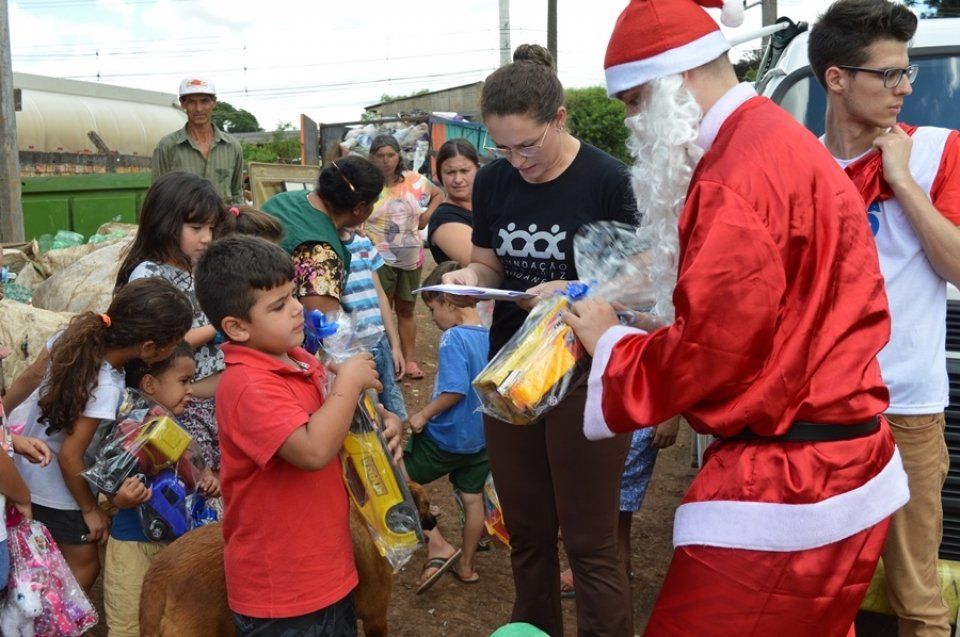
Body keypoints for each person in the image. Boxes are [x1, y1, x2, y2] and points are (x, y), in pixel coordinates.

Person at [560, 1, 909, 635]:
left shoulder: (734, 175)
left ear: (676, 82)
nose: (635, 125)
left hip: (790, 482)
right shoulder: (777, 141)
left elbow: (715, 351)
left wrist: (610, 341)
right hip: (841, 460)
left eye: (637, 103)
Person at [442, 43, 638, 636]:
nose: (516, 161)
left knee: (590, 541)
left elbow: (642, 288)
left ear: (559, 118)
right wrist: (469, 279)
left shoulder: (609, 181)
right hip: (512, 372)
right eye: (502, 148)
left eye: (527, 144)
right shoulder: (497, 182)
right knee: (526, 533)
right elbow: (489, 262)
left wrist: (575, 290)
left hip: (585, 372)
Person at [809, 3, 960, 635]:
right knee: (816, 591)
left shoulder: (934, 151)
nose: (904, 89)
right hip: (817, 411)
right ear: (837, 78)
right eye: (889, 76)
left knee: (917, 596)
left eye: (907, 76)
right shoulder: (800, 162)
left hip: (908, 409)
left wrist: (904, 184)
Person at [194, 234, 401, 636]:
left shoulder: (302, 361)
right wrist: (350, 385)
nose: (295, 310)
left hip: (327, 568)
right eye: (278, 306)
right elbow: (312, 449)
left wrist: (378, 419)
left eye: (293, 296)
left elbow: (335, 420)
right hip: (282, 591)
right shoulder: (248, 385)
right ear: (235, 328)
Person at [2, 278, 192, 590]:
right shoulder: (105, 387)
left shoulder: (71, 337)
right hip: (58, 489)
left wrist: (3, 419)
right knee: (85, 567)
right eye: (174, 341)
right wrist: (90, 510)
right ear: (148, 348)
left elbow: (29, 376)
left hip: (25, 468)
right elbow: (70, 456)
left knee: (37, 559)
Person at [116, 171, 231, 473]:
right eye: (196, 227)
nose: (206, 237)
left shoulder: (197, 267)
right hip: (182, 410)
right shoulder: (150, 275)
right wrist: (218, 329)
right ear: (164, 223)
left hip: (213, 406)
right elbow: (158, 346)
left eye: (211, 228)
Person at [105, 342, 221, 637]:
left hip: (176, 548)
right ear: (149, 384)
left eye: (192, 381)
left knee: (166, 617)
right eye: (183, 381)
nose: (191, 390)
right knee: (128, 625)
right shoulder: (128, 428)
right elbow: (105, 485)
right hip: (132, 546)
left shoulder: (184, 427)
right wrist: (122, 498)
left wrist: (209, 483)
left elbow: (200, 472)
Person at [400, 261, 489, 594]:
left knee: (398, 478)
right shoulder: (491, 333)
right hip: (480, 439)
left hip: (445, 439)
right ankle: (466, 567)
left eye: (434, 308)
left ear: (450, 303)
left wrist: (423, 414)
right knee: (473, 499)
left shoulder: (454, 337)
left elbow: (455, 389)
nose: (434, 318)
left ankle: (434, 543)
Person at [559, 416, 680, 598]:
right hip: (611, 403)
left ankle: (602, 567)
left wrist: (671, 414)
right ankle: (616, 562)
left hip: (641, 406)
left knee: (618, 477)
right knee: (615, 482)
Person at [262, 156, 384, 318]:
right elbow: (321, 328)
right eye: (373, 203)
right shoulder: (322, 256)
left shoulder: (284, 200)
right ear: (359, 207)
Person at [365, 134, 444, 380]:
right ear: (372, 157)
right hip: (379, 258)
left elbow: (439, 194)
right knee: (383, 311)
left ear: (399, 156)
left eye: (391, 155)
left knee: (407, 310)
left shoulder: (414, 180)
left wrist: (424, 218)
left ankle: (409, 361)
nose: (386, 160)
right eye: (380, 155)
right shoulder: (367, 185)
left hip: (411, 257)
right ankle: (388, 363)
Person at [340, 226, 408, 420]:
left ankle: (397, 448)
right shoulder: (325, 249)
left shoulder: (364, 243)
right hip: (351, 347)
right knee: (367, 412)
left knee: (393, 406)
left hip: (380, 339)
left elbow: (380, 295)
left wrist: (395, 345)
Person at [152, 77, 244, 204]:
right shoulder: (167, 146)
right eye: (192, 102)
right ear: (183, 104)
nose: (199, 108)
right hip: (182, 221)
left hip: (223, 221)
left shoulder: (232, 146)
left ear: (214, 102)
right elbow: (158, 195)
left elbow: (236, 194)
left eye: (204, 101)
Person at [427, 138, 480, 266]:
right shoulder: (444, 219)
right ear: (440, 174)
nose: (458, 179)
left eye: (464, 171)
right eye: (450, 172)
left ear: (477, 169)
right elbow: (481, 264)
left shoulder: (487, 204)